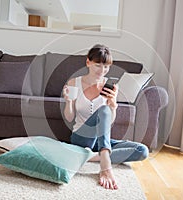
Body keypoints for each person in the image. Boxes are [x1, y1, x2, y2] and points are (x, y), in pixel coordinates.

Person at [63, 44, 149, 190]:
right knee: (103, 110)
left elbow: (108, 123)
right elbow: (70, 118)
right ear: (88, 62)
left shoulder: (110, 86)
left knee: (142, 151)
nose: (102, 71)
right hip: (80, 137)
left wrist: (113, 104)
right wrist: (69, 102)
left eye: (106, 67)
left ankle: (91, 156)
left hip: (101, 140)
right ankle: (105, 163)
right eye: (98, 65)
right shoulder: (74, 83)